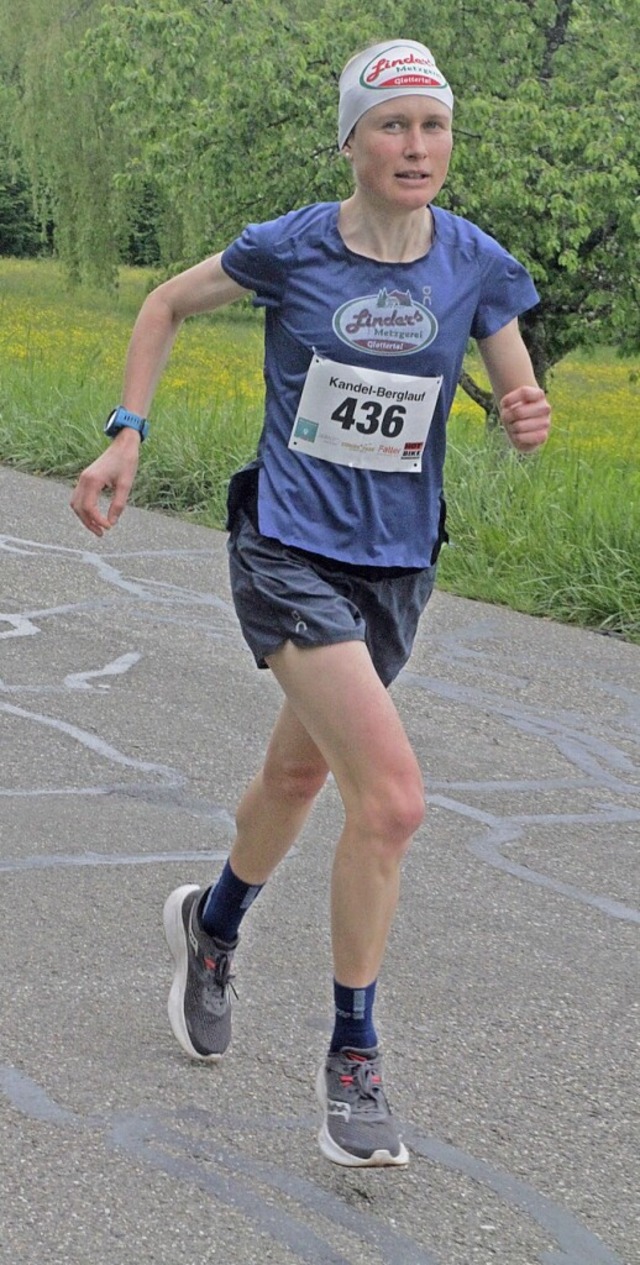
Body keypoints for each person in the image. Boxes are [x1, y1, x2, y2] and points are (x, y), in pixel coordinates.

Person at [70, 38, 551, 1168]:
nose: (415, 146)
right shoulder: (292, 245)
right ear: (351, 139)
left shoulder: (474, 261)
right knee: (389, 801)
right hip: (286, 548)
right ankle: (353, 1058)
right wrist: (126, 434)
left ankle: (214, 924)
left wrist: (523, 414)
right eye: (391, 125)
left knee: (296, 773)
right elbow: (162, 304)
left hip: (396, 565)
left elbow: (517, 389)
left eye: (432, 126)